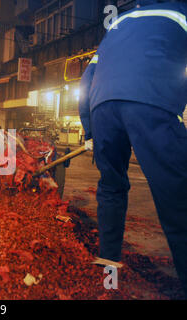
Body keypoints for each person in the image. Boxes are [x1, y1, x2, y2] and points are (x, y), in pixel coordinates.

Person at [78, 0, 187, 294]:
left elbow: (86, 81)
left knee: (111, 186)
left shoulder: (118, 23)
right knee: (177, 195)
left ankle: (108, 263)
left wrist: (89, 131)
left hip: (103, 106)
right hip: (150, 101)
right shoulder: (181, 11)